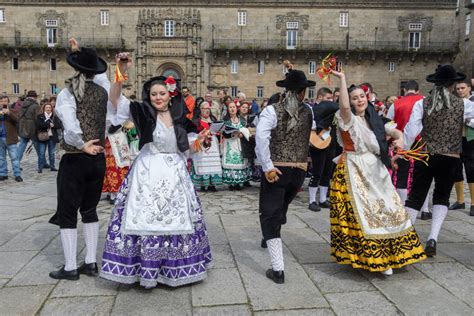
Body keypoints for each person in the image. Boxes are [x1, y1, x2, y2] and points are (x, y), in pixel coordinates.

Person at [100, 53, 213, 288]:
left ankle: (176, 268)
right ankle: (145, 269)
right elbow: (114, 101)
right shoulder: (141, 113)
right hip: (147, 171)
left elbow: (189, 147)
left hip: (175, 173)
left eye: (162, 93)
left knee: (177, 219)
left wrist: (201, 140)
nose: (158, 97)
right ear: (148, 96)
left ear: (171, 95)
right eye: (154, 94)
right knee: (145, 218)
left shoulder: (181, 117)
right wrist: (120, 70)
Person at [329, 70, 426, 276]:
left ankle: (395, 255)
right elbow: (344, 106)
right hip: (354, 169)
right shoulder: (345, 117)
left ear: (368, 97)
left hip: (376, 169)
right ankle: (377, 259)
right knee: (365, 214)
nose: (359, 100)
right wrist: (343, 78)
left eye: (361, 96)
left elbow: (395, 131)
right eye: (354, 98)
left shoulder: (375, 118)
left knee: (391, 210)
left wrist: (399, 139)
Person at [48, 39, 108, 281]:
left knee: (67, 211)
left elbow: (71, 125)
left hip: (75, 158)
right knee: (90, 209)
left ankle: (71, 266)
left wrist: (82, 144)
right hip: (98, 159)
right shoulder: (103, 91)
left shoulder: (67, 92)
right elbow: (111, 118)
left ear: (75, 69)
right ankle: (91, 262)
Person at [255, 64, 314, 284]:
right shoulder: (309, 111)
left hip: (277, 170)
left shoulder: (271, 110)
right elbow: (312, 133)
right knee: (279, 209)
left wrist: (267, 166)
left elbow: (261, 139)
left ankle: (278, 270)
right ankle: (269, 232)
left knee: (269, 215)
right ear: (301, 92)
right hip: (299, 171)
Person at [404, 64, 468, 256]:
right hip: (450, 157)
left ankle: (405, 238)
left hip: (426, 154)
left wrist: (406, 151)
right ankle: (432, 238)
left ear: (436, 83)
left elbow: (412, 130)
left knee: (416, 196)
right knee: (441, 197)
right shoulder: (463, 104)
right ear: (453, 84)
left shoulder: (422, 103)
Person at [308, 87, 337, 211]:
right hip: (318, 142)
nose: (331, 101)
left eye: (332, 98)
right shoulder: (312, 110)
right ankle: (312, 200)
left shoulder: (333, 111)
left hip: (330, 142)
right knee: (317, 171)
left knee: (327, 172)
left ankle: (323, 199)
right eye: (328, 98)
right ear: (320, 97)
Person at [449, 79, 474, 215]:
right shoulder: (454, 102)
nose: (460, 91)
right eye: (458, 89)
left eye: (463, 88)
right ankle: (460, 201)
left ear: (469, 88)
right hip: (456, 139)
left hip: (470, 139)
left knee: (471, 169)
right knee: (456, 168)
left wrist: (466, 120)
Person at [190, 100, 223, 192]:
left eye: (208, 108)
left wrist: (219, 131)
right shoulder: (196, 121)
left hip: (213, 144)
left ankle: (212, 184)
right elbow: (193, 134)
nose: (207, 110)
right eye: (205, 109)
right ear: (200, 109)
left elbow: (217, 131)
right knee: (203, 164)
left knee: (213, 163)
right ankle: (203, 184)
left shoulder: (213, 119)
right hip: (202, 144)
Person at [221, 102, 250, 190]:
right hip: (229, 143)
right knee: (230, 162)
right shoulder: (225, 120)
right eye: (230, 107)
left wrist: (242, 133)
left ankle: (238, 183)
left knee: (239, 162)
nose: (232, 109)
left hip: (239, 144)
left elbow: (247, 130)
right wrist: (232, 134)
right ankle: (231, 183)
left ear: (236, 108)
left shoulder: (242, 120)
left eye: (234, 107)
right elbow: (223, 132)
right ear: (228, 109)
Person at [0, 95, 22, 182]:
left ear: (8, 102)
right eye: (1, 101)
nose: (3, 103)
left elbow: (18, 120)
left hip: (10, 138)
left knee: (14, 157)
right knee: (1, 158)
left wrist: (9, 113)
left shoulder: (13, 110)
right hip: (0, 139)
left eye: (5, 101)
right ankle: (3, 174)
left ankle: (17, 174)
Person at [36, 103, 62, 172]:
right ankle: (40, 167)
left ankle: (52, 167)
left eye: (49, 108)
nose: (48, 109)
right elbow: (39, 125)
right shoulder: (40, 116)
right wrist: (48, 124)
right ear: (44, 108)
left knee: (51, 153)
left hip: (52, 137)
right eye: (47, 107)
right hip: (43, 137)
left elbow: (59, 125)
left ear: (51, 109)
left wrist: (54, 125)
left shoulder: (54, 116)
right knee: (41, 153)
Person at [17, 90, 40, 164]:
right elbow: (37, 118)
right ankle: (42, 162)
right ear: (35, 97)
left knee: (22, 144)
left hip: (23, 125)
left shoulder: (22, 104)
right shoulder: (35, 105)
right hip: (32, 127)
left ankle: (16, 162)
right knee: (37, 145)